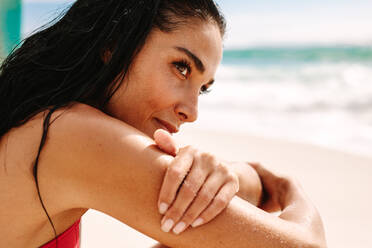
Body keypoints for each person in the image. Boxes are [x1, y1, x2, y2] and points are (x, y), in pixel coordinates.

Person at [0, 0, 326, 247]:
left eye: (203, 88)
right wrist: (288, 188)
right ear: (114, 45)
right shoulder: (70, 134)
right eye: (181, 68)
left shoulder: (42, 120)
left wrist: (231, 174)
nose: (192, 111)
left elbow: (248, 192)